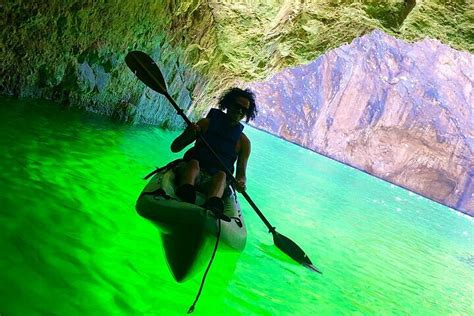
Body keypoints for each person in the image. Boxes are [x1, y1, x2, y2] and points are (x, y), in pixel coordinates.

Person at [170, 87, 257, 220]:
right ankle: (186, 192)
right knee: (193, 163)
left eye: (244, 110)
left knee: (222, 175)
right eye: (237, 106)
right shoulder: (205, 124)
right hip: (192, 171)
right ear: (228, 104)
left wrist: (241, 182)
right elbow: (175, 148)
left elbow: (241, 174)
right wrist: (189, 133)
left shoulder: (244, 142)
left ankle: (212, 206)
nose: (240, 111)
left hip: (214, 181)